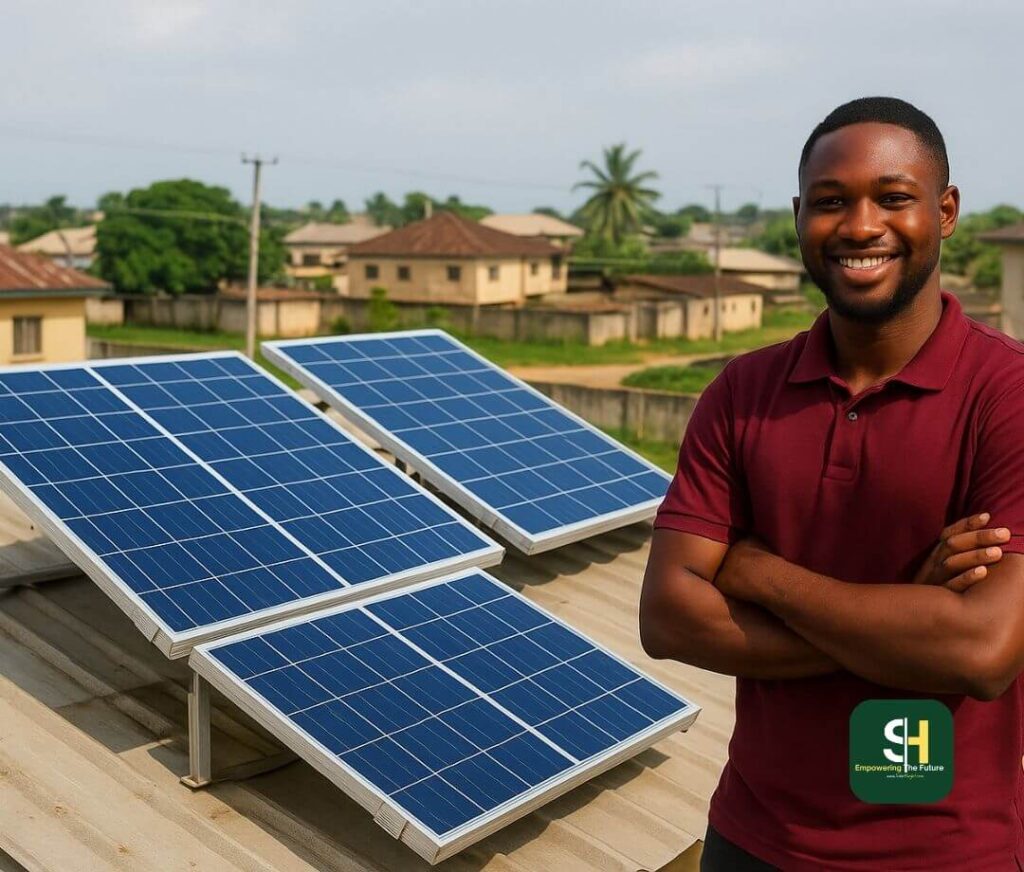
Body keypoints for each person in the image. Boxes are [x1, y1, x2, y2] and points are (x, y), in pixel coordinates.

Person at [640, 96, 1024, 871]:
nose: (859, 225)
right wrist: (906, 618)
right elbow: (669, 619)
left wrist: (760, 572)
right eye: (830, 202)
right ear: (797, 217)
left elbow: (983, 650)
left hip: (945, 851)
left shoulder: (1007, 396)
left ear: (945, 211)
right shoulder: (743, 393)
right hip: (753, 841)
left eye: (893, 197)